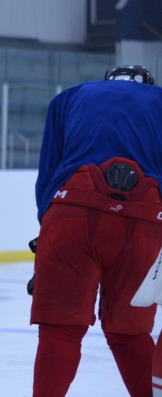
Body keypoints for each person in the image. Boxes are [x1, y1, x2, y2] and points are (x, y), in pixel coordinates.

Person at [29, 64, 162, 397]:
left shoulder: (69, 97)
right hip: (145, 219)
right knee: (130, 334)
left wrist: (46, 229)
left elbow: (49, 173)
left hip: (70, 212)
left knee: (60, 330)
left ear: (106, 81)